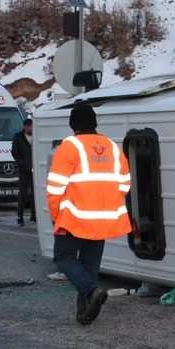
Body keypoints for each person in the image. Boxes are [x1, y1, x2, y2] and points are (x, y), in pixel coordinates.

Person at [46, 102, 133, 325]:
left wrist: (55, 215)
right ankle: (84, 312)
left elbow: (55, 187)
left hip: (74, 217)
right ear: (95, 123)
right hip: (103, 218)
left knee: (63, 257)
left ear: (72, 125)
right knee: (89, 265)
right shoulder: (112, 147)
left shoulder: (69, 146)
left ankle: (90, 290)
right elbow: (124, 184)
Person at [13, 117, 36, 226]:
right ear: (26, 126)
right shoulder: (18, 137)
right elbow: (15, 152)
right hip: (24, 170)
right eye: (31, 126)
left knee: (35, 194)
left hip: (35, 169)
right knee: (22, 194)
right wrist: (21, 163)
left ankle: (34, 215)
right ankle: (20, 216)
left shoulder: (36, 136)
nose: (32, 129)